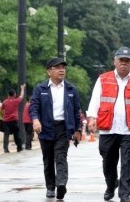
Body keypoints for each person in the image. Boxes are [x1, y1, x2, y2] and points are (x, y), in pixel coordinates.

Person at [87, 46, 130, 202]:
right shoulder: (103, 78)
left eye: (127, 61)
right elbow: (95, 99)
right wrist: (91, 118)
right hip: (108, 127)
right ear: (115, 61)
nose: (123, 63)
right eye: (121, 60)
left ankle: (125, 194)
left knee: (127, 161)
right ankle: (111, 185)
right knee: (108, 159)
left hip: (129, 128)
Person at [29, 57, 82, 199]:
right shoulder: (40, 89)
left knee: (61, 157)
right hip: (45, 128)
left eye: (63, 68)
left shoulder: (71, 89)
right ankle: (50, 187)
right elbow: (34, 106)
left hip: (64, 128)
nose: (61, 70)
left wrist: (78, 130)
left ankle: (61, 184)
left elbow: (77, 111)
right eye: (58, 68)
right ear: (49, 72)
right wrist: (35, 120)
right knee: (48, 159)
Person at [0, 84, 25, 153]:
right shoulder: (16, 101)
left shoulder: (4, 102)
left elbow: (1, 110)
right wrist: (22, 88)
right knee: (16, 134)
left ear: (8, 95)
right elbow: (21, 96)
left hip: (6, 121)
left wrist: (3, 115)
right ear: (14, 94)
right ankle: (19, 148)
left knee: (6, 135)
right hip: (14, 120)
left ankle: (6, 149)